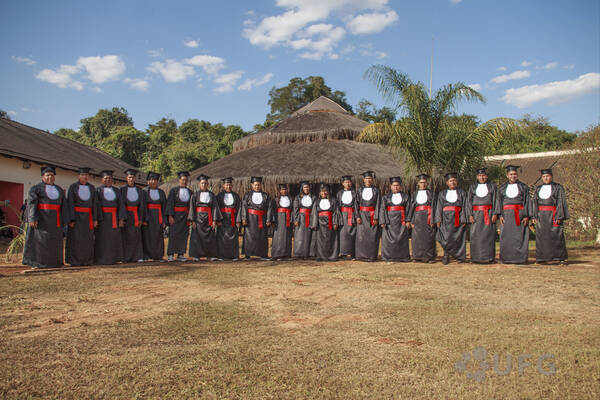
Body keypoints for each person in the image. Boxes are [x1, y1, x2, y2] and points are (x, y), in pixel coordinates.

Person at [23, 166, 67, 269]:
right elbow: (32, 204)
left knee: (55, 241)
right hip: (42, 219)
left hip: (55, 220)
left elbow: (64, 206)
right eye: (47, 175)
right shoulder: (35, 189)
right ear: (42, 177)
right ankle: (39, 263)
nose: (50, 177)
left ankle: (55, 262)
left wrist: (65, 220)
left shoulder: (59, 190)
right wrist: (32, 218)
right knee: (41, 241)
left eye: (52, 175)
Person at [531, 168, 569, 265]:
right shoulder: (538, 188)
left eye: (547, 176)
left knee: (556, 236)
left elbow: (560, 202)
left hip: (553, 215)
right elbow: (535, 202)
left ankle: (560, 258)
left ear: (551, 176)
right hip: (541, 216)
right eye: (543, 176)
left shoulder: (558, 187)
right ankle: (541, 258)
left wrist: (559, 216)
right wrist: (534, 216)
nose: (545, 178)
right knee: (541, 237)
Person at [494, 165, 531, 264]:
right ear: (507, 175)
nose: (513, 176)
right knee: (506, 237)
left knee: (519, 237)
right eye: (510, 174)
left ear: (517, 175)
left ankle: (520, 259)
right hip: (506, 216)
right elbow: (499, 202)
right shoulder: (502, 188)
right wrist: (500, 216)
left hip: (519, 215)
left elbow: (527, 202)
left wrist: (526, 216)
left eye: (514, 174)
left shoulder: (523, 187)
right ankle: (506, 258)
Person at [65, 167, 98, 266]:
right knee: (76, 239)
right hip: (76, 217)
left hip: (88, 217)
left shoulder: (92, 188)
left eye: (86, 175)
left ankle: (87, 260)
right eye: (83, 175)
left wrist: (95, 219)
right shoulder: (73, 187)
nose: (85, 177)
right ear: (79, 176)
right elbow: (70, 203)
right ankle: (75, 260)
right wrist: (71, 219)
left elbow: (95, 204)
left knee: (88, 239)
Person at [465, 168, 498, 263]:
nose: (482, 177)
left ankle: (489, 258)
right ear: (477, 177)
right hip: (476, 215)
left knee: (489, 236)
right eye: (480, 176)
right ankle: (475, 258)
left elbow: (496, 200)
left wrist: (495, 213)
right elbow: (468, 202)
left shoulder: (492, 187)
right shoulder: (472, 187)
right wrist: (470, 215)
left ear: (486, 176)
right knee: (475, 236)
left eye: (483, 175)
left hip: (489, 214)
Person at [94, 170, 126, 265]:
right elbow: (95, 205)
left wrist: (121, 218)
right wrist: (96, 219)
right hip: (103, 218)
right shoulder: (97, 190)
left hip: (114, 218)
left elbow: (121, 205)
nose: (108, 180)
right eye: (106, 178)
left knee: (114, 238)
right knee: (103, 239)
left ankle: (114, 258)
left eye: (110, 178)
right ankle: (102, 259)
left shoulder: (117, 191)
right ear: (102, 180)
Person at [435, 172, 467, 265]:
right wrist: (438, 219)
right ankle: (446, 255)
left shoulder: (462, 192)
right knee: (446, 237)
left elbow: (465, 206)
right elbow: (439, 207)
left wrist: (463, 218)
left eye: (454, 180)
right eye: (450, 181)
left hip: (457, 218)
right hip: (446, 219)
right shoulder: (442, 193)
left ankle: (459, 256)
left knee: (458, 237)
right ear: (447, 183)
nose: (453, 182)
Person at [188, 174, 222, 261]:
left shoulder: (212, 195)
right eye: (202, 183)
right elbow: (192, 208)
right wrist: (193, 221)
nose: (204, 185)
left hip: (209, 219)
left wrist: (214, 220)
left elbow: (214, 207)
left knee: (210, 237)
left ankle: (210, 255)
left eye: (205, 183)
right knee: (197, 237)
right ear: (199, 184)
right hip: (198, 219)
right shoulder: (195, 195)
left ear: (208, 184)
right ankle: (196, 255)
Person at [239, 176, 273, 260]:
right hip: (250, 219)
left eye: (258, 185)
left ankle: (263, 254)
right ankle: (247, 254)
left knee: (262, 237)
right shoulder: (247, 195)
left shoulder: (266, 195)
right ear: (252, 185)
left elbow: (269, 208)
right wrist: (244, 218)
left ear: (261, 185)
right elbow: (244, 207)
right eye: (255, 185)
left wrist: (268, 219)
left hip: (262, 219)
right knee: (249, 237)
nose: (257, 186)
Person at [406, 174, 436, 262]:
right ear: (418, 183)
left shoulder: (432, 194)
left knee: (428, 237)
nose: (423, 184)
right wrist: (410, 220)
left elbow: (434, 207)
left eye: (424, 182)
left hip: (428, 217)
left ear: (427, 183)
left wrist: (433, 220)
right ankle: (416, 256)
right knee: (416, 238)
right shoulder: (414, 194)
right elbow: (411, 207)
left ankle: (429, 257)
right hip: (417, 217)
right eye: (421, 182)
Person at [380, 176, 410, 262]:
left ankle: (402, 257)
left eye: (397, 185)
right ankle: (388, 257)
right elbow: (382, 209)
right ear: (391, 186)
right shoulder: (386, 197)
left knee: (402, 239)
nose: (395, 187)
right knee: (388, 240)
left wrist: (408, 220)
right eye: (394, 185)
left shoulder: (406, 196)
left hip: (401, 221)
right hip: (389, 221)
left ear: (400, 186)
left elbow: (409, 209)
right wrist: (383, 221)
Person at [165, 171, 192, 262]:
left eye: (186, 180)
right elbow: (170, 203)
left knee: (183, 235)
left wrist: (190, 217)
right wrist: (170, 216)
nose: (184, 182)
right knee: (173, 234)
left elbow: (191, 206)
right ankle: (170, 254)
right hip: (175, 216)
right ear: (179, 180)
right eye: (183, 180)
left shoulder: (190, 192)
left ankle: (181, 254)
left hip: (185, 217)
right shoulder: (174, 191)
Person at [355, 171, 382, 262]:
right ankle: (360, 256)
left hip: (372, 215)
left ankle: (371, 256)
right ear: (364, 180)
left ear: (372, 180)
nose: (368, 180)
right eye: (366, 178)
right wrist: (357, 216)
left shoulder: (376, 190)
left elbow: (378, 204)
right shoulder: (359, 190)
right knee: (361, 236)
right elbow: (356, 204)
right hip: (362, 215)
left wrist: (376, 217)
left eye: (370, 178)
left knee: (372, 236)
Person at [311, 183, 342, 261]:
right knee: (320, 240)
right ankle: (321, 256)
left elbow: (336, 212)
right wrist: (315, 224)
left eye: (325, 191)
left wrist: (335, 222)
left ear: (328, 192)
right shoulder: (317, 201)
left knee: (331, 239)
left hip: (330, 222)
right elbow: (314, 213)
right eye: (322, 191)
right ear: (319, 192)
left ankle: (332, 256)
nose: (324, 193)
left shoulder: (333, 200)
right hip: (320, 223)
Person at [120, 169, 145, 263]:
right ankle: (126, 257)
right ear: (126, 178)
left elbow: (142, 205)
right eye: (129, 177)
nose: (131, 179)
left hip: (136, 215)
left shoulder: (139, 190)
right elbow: (121, 204)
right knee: (126, 237)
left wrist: (141, 218)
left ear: (135, 178)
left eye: (133, 177)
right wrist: (122, 218)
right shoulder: (122, 190)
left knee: (137, 236)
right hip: (126, 215)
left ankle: (138, 256)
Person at [142, 171, 167, 261]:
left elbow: (164, 207)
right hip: (148, 217)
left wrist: (164, 220)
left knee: (158, 236)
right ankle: (147, 255)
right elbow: (142, 206)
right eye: (151, 180)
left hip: (158, 217)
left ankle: (158, 255)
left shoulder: (161, 192)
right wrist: (144, 219)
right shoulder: (144, 192)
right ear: (148, 181)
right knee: (147, 236)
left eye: (155, 180)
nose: (153, 182)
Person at [216, 177, 241, 260]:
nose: (228, 186)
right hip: (222, 219)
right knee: (222, 238)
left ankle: (234, 256)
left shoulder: (236, 196)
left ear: (232, 185)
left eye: (230, 185)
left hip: (233, 219)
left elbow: (239, 208)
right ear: (223, 186)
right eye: (227, 185)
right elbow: (216, 208)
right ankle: (221, 256)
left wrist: (238, 220)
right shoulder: (219, 196)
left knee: (233, 238)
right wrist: (218, 219)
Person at [293, 181, 316, 259]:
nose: (306, 189)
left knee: (309, 237)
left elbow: (314, 210)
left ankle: (308, 254)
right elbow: (295, 209)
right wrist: (296, 219)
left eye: (307, 187)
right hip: (301, 218)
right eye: (305, 187)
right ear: (302, 188)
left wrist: (314, 221)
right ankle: (298, 253)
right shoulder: (298, 197)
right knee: (299, 237)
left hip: (310, 217)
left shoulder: (313, 197)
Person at [336, 175, 357, 259]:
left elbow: (356, 205)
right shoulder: (339, 193)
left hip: (352, 214)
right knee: (342, 234)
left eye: (349, 182)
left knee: (352, 233)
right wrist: (339, 217)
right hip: (342, 215)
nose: (347, 184)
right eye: (346, 182)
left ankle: (352, 253)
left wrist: (356, 216)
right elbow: (337, 206)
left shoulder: (354, 193)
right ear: (343, 183)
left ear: (351, 183)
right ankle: (343, 252)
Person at [271, 183, 294, 260]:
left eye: (285, 189)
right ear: (280, 191)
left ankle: (286, 254)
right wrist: (273, 220)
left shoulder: (291, 199)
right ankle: (277, 254)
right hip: (279, 219)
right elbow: (273, 210)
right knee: (278, 236)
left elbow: (293, 210)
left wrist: (292, 219)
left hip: (288, 219)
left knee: (287, 236)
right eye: (282, 189)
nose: (284, 191)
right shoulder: (276, 199)